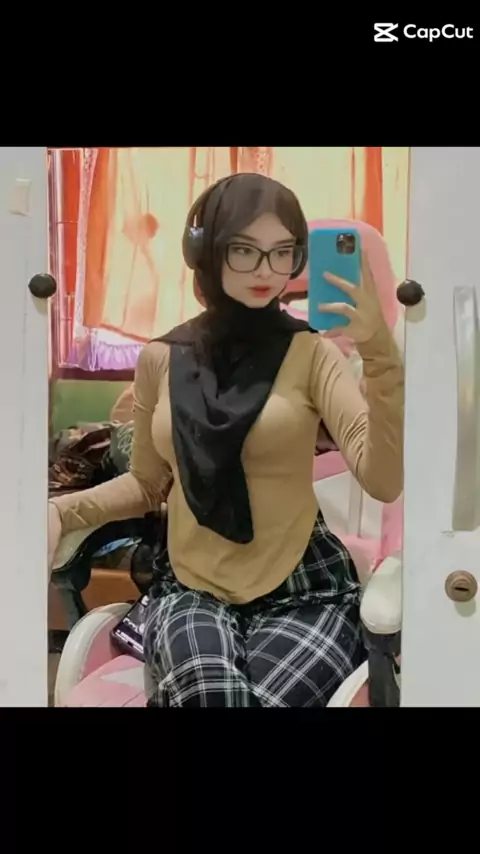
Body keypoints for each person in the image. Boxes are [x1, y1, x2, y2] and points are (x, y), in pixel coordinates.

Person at [48, 173, 404, 707]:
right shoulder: (160, 359)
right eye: (244, 250)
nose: (266, 271)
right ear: (206, 250)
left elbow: (383, 480)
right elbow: (147, 483)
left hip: (306, 589)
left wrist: (378, 352)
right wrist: (63, 511)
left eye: (282, 252)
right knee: (213, 695)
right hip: (193, 586)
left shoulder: (312, 354)